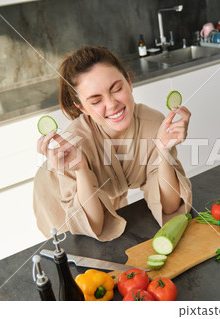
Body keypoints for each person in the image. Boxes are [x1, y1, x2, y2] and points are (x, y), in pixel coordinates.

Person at [33, 46, 192, 241]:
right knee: (70, 248)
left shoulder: (153, 125)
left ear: (129, 82)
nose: (112, 104)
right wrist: (80, 169)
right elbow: (95, 226)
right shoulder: (73, 144)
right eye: (95, 100)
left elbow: (169, 206)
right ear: (81, 107)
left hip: (111, 191)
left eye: (117, 89)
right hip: (56, 192)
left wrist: (164, 152)